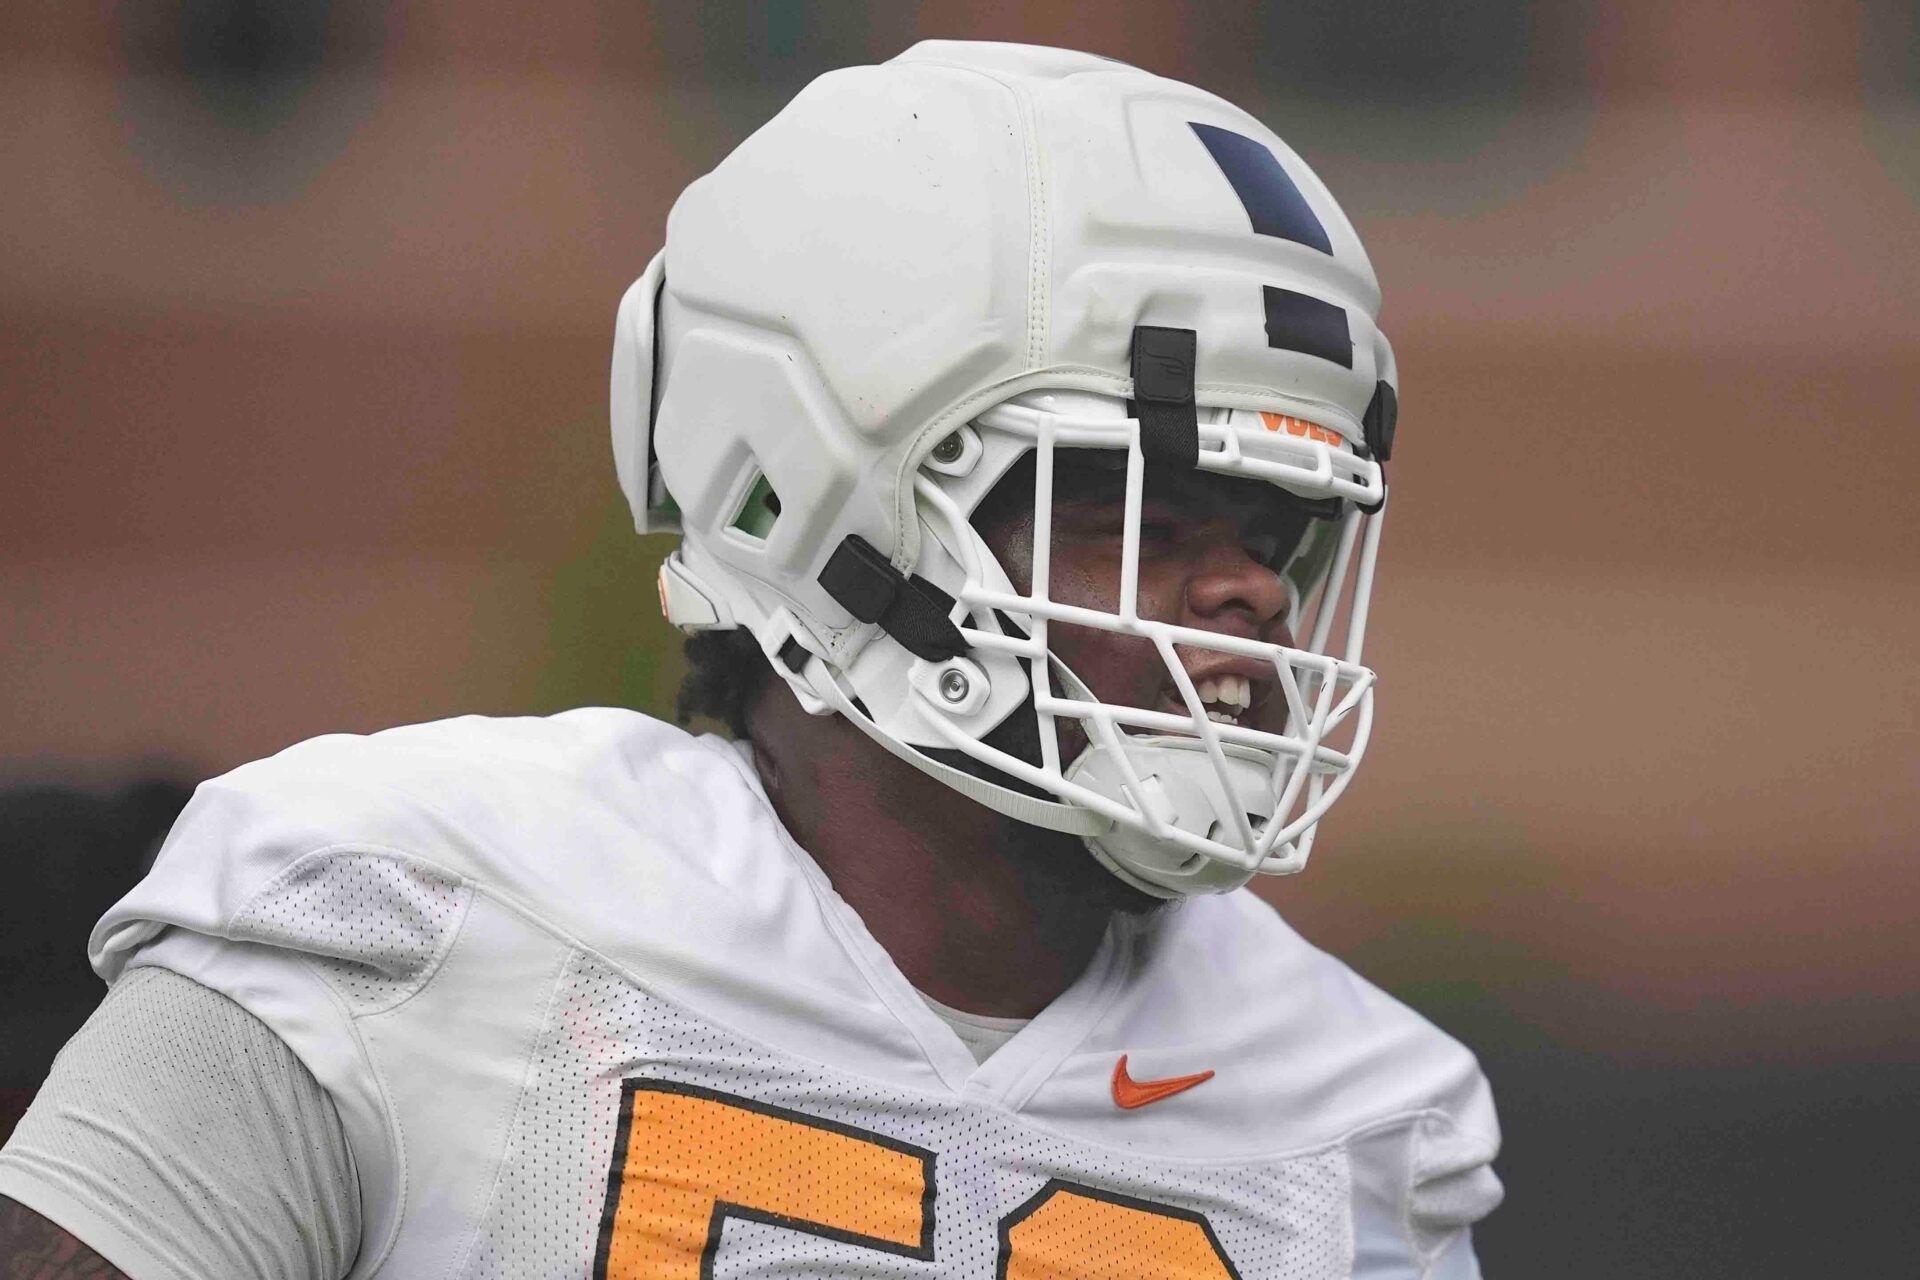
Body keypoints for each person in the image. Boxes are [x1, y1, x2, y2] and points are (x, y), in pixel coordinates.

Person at [0, 40, 1501, 1279]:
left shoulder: (1359, 1120)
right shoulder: (408, 914)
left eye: (1275, 532)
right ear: (824, 504)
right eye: (1140, 510)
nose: (1244, 593)